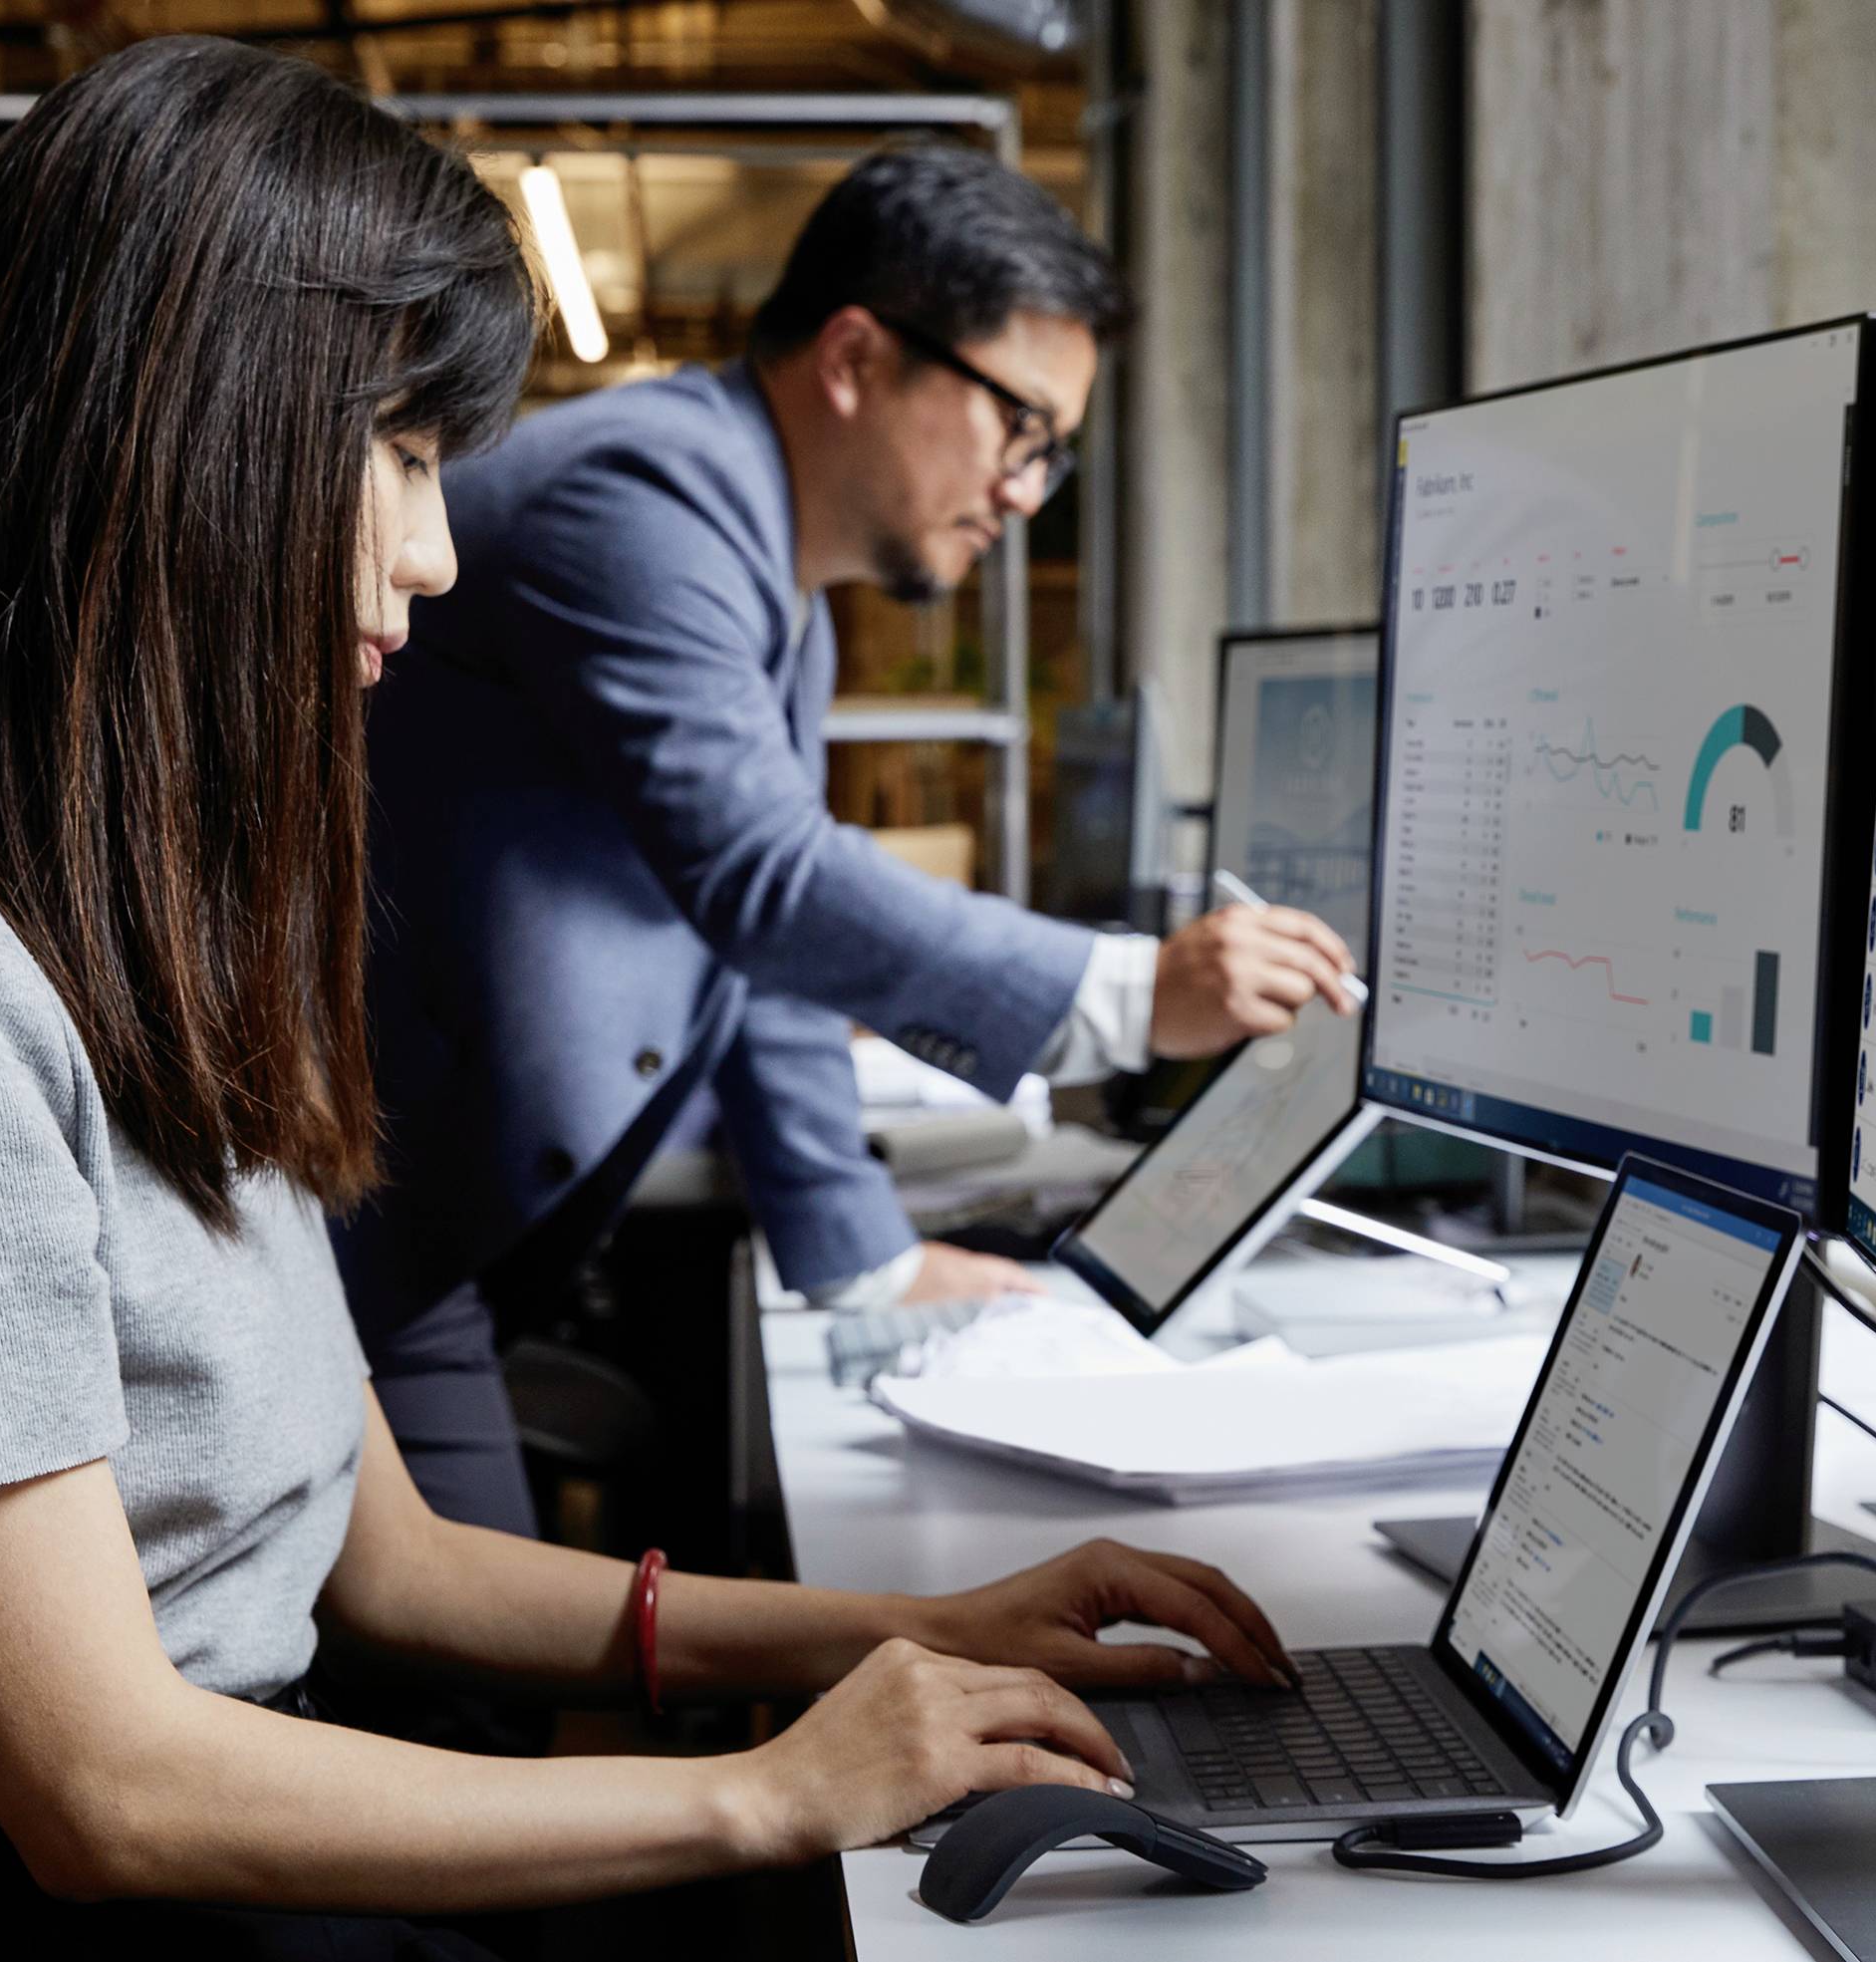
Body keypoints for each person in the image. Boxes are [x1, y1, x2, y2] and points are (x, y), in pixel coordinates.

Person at [0, 38, 1294, 1953]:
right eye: (408, 455)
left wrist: (914, 1628)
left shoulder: (147, 912)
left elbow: (394, 1563)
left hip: (200, 1820)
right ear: (195, 425)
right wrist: (773, 1786)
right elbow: (99, 1790)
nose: (436, 550)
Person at [339, 144, 1361, 1536]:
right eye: (1021, 426)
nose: (1024, 489)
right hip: (357, 1221)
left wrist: (864, 1262)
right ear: (856, 357)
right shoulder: (646, 494)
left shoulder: (775, 573)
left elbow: (749, 949)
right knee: (455, 1697)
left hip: (435, 1222)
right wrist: (1126, 994)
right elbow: (760, 879)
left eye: (1053, 455)